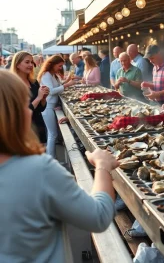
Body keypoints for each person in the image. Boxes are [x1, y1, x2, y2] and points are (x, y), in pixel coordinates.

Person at [0, 69, 119, 263]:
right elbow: (98, 217)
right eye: (23, 104)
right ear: (10, 114)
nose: (30, 110)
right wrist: (102, 166)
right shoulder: (39, 170)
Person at [37, 55, 76, 158]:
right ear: (53, 64)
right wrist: (67, 85)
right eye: (59, 66)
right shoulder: (46, 75)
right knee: (52, 134)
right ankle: (51, 159)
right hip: (47, 107)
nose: (61, 68)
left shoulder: (52, 74)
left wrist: (66, 81)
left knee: (51, 134)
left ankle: (52, 158)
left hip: (51, 106)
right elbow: (51, 91)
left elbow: (57, 87)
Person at [10, 51, 49, 143]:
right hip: (23, 129)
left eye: (32, 62)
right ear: (17, 64)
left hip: (38, 126)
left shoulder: (34, 82)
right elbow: (21, 112)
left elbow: (40, 109)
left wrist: (43, 98)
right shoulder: (13, 84)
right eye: (27, 62)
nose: (31, 65)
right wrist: (39, 98)